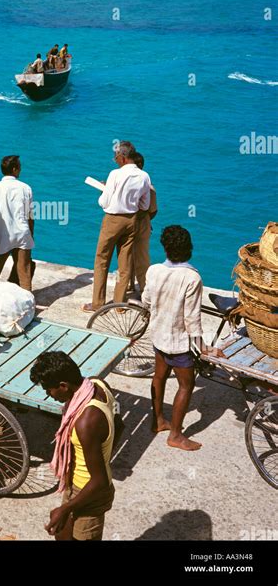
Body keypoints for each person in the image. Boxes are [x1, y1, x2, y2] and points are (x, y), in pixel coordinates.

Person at [30, 352, 118, 541]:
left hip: (90, 492)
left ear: (63, 385)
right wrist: (104, 455)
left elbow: (100, 482)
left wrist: (66, 508)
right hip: (77, 485)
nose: (49, 395)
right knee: (62, 535)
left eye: (49, 390)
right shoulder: (97, 384)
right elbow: (119, 425)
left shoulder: (86, 423)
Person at [142, 225, 213, 451]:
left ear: (165, 248)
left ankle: (158, 420)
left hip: (159, 337)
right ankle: (176, 435)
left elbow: (146, 300)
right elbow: (192, 319)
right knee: (186, 385)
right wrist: (203, 347)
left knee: (159, 377)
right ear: (189, 249)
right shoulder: (192, 278)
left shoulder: (153, 271)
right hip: (178, 344)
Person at [82, 141, 151, 313]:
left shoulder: (115, 174)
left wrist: (104, 191)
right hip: (132, 220)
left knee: (102, 260)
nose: (115, 160)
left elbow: (103, 202)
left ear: (123, 156)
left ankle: (98, 303)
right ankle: (120, 304)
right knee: (125, 262)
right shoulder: (144, 176)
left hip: (113, 220)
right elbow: (145, 204)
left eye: (116, 157)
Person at [0, 155, 35, 291]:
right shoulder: (26, 188)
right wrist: (31, 235)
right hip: (21, 234)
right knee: (24, 274)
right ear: (14, 169)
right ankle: (27, 305)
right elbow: (30, 215)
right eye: (19, 166)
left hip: (2, 235)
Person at [129, 151, 158, 294]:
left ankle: (129, 286)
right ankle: (144, 288)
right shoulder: (149, 186)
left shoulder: (123, 181)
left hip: (125, 224)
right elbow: (153, 210)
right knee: (142, 258)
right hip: (143, 224)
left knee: (126, 257)